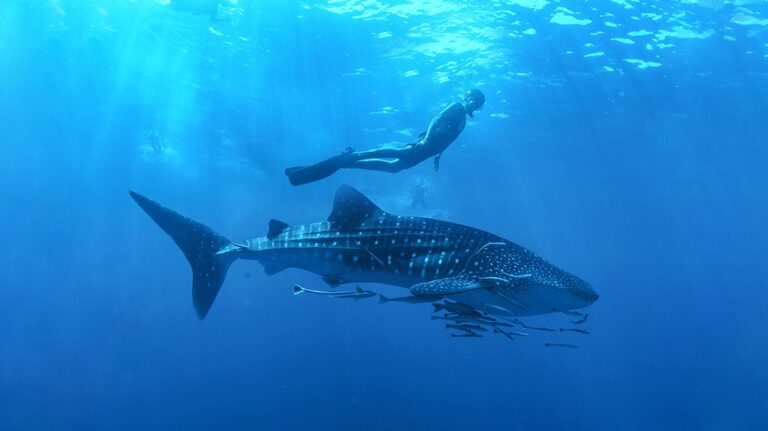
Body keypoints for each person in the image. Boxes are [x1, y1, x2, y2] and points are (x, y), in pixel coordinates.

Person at [285, 89, 485, 186]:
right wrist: (427, 139)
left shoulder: (463, 122)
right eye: (474, 101)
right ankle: (352, 156)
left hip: (428, 152)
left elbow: (449, 139)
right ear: (468, 98)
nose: (474, 105)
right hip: (422, 146)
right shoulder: (456, 107)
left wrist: (439, 155)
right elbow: (436, 119)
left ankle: (348, 161)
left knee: (393, 168)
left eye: (477, 104)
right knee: (390, 152)